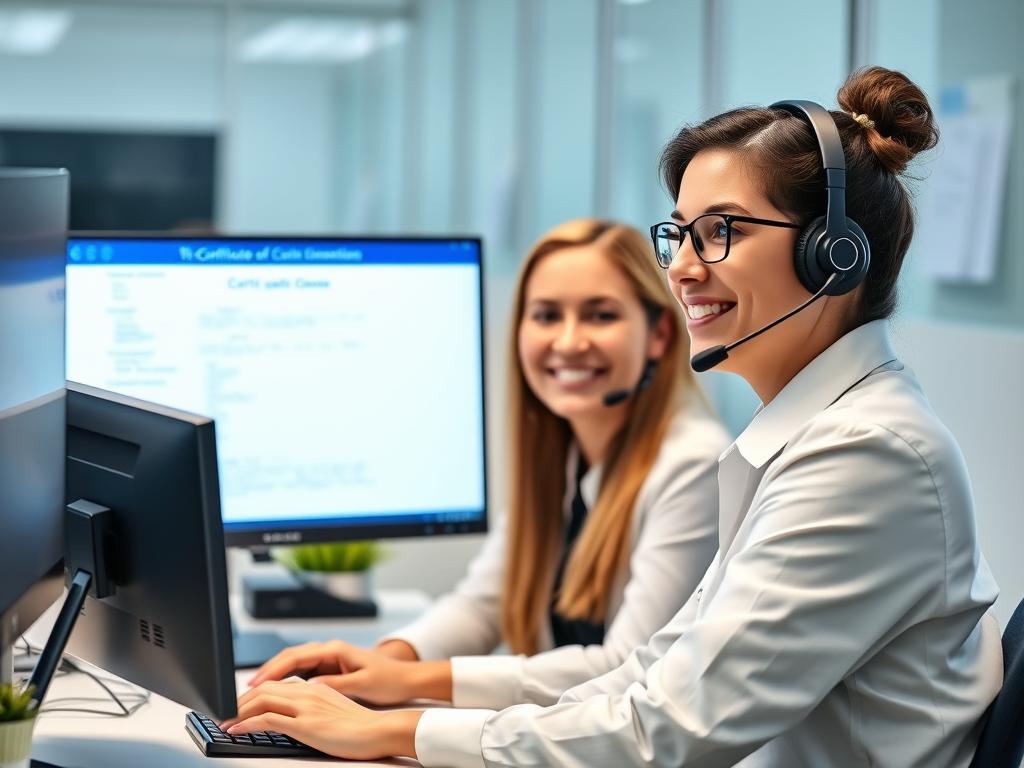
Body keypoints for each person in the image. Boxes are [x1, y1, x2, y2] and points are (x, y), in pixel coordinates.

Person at [222, 67, 1002, 767]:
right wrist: (398, 700)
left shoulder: (866, 454)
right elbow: (650, 673)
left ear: (834, 254)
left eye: (720, 231)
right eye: (680, 234)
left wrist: (396, 731)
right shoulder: (811, 439)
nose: (685, 267)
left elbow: (667, 728)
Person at [241, 218, 728, 712]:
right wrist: (379, 662)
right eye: (546, 315)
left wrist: (411, 681)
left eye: (600, 316)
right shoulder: (567, 456)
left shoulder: (692, 464)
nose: (568, 341)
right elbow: (484, 603)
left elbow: (630, 667)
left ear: (659, 335)